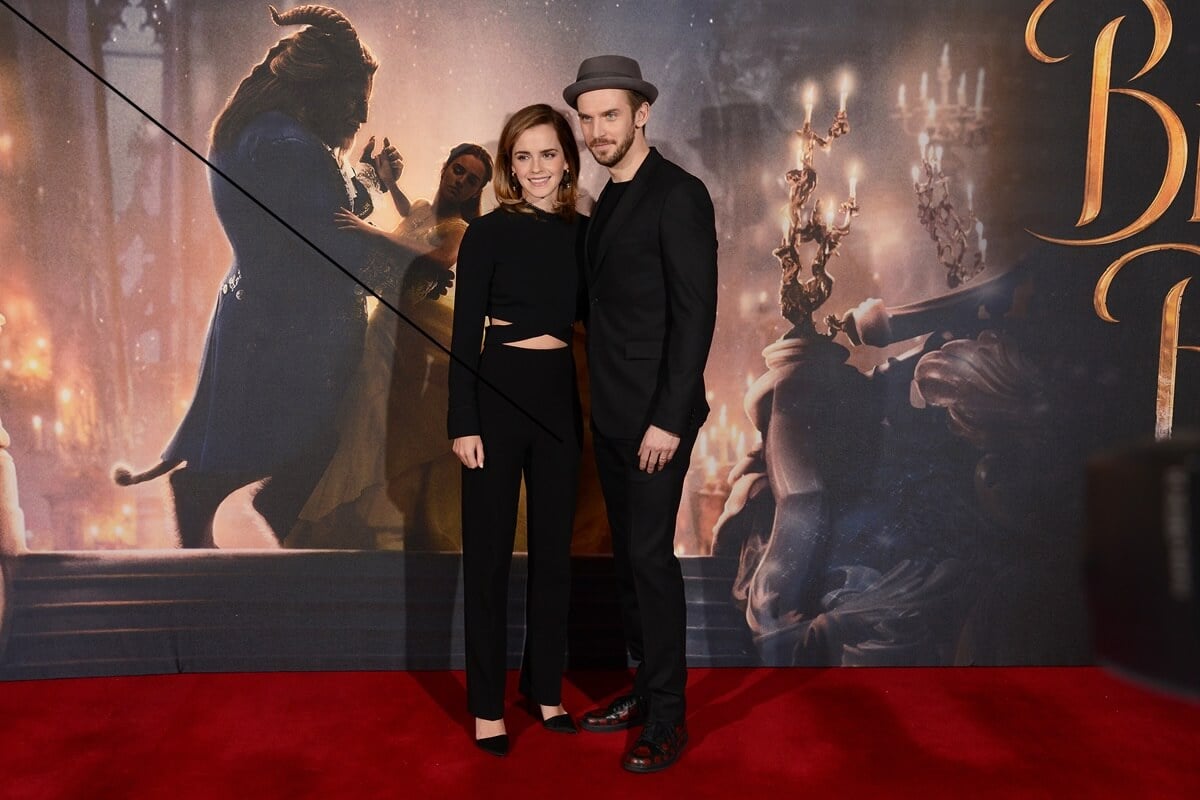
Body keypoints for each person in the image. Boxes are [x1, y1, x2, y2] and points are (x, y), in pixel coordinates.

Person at [114, 5, 405, 547]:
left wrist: (370, 180)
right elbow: (330, 238)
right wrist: (416, 262)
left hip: (269, 318)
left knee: (293, 451)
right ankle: (244, 552)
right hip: (292, 329)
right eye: (352, 100)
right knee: (321, 448)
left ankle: (242, 547)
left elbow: (326, 211)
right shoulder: (286, 146)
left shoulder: (273, 135)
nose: (360, 117)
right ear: (316, 83)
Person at [563, 56, 718, 772]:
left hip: (659, 419)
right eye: (586, 118)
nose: (596, 131)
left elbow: (695, 317)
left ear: (642, 113)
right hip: (613, 413)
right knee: (628, 561)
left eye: (610, 116)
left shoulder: (678, 195)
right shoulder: (609, 198)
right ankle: (641, 690)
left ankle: (667, 719)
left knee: (652, 562)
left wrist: (670, 419)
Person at [448, 104, 585, 757]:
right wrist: (462, 420)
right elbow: (462, 337)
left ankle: (545, 689)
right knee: (489, 556)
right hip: (495, 396)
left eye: (547, 154)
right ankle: (485, 705)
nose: (535, 168)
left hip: (559, 399)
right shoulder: (486, 234)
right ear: (509, 165)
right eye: (522, 156)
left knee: (555, 557)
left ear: (567, 160)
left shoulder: (586, 235)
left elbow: (616, 319)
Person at [292, 142, 493, 550]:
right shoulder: (421, 208)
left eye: (472, 180)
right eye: (459, 170)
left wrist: (372, 232)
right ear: (446, 167)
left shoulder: (460, 229)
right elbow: (411, 214)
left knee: (394, 419)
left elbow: (440, 257)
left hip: (416, 332)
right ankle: (355, 516)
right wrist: (389, 183)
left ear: (477, 192)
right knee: (365, 415)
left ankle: (401, 520)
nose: (462, 181)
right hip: (385, 323)